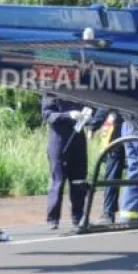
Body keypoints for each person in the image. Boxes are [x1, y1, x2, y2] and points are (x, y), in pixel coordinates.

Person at [41, 95, 90, 230]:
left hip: (78, 140)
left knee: (79, 180)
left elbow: (92, 107)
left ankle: (78, 216)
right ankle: (53, 219)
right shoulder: (51, 91)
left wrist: (89, 117)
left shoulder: (79, 90)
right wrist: (68, 115)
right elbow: (47, 115)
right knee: (58, 180)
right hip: (59, 142)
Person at [87, 108, 124, 224]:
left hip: (117, 135)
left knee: (112, 175)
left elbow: (105, 106)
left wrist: (92, 126)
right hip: (134, 128)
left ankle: (108, 213)